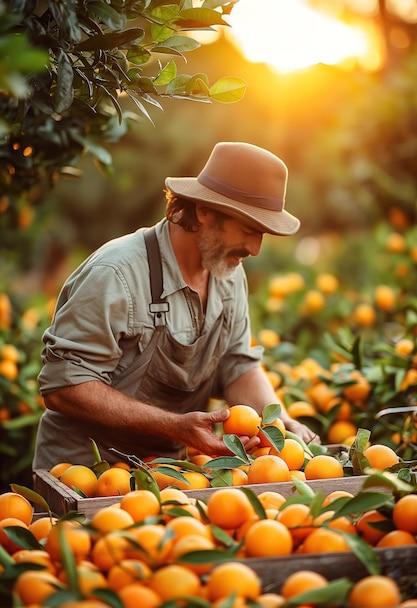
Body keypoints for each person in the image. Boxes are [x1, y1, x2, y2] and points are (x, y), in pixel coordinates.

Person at [33, 141, 319, 470]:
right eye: (249, 230)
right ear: (204, 211)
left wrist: (281, 424)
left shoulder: (227, 273)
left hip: (171, 475)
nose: (254, 249)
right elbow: (65, 386)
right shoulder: (117, 274)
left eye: (263, 235)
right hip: (85, 472)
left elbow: (237, 366)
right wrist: (176, 427)